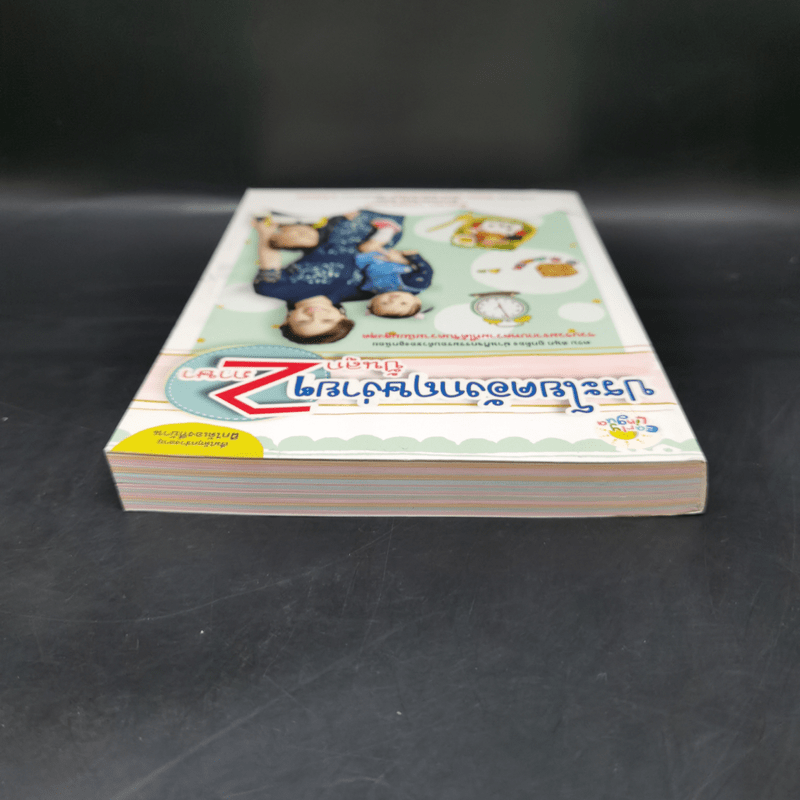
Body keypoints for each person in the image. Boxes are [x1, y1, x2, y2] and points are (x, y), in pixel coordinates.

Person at [253, 211, 429, 340]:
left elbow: (270, 259)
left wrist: (264, 233)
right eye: (327, 320)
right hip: (373, 235)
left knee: (296, 238)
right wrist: (401, 259)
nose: (315, 315)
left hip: (330, 234)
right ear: (342, 317)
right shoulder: (364, 293)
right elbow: (397, 274)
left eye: (304, 322)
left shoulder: (272, 289)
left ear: (286, 321)